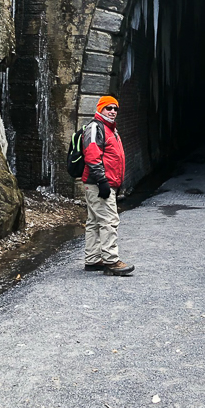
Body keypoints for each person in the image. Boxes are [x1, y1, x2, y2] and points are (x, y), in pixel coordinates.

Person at [82, 95, 134, 275]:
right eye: (108, 108)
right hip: (99, 184)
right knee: (109, 221)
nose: (112, 111)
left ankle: (93, 259)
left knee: (95, 221)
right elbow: (92, 154)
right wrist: (102, 181)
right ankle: (111, 261)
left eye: (115, 109)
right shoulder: (96, 127)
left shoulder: (111, 129)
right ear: (100, 109)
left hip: (102, 183)